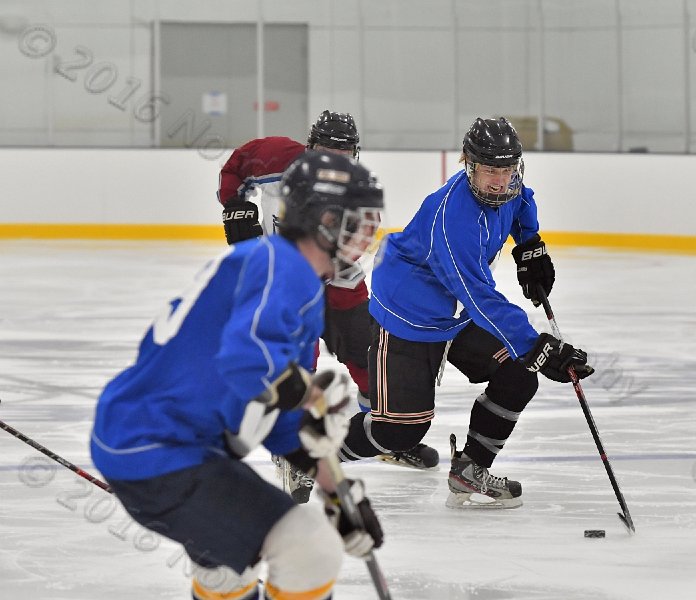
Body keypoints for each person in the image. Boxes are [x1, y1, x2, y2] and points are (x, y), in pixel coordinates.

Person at [91, 151, 385, 599]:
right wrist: (308, 395)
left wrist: (339, 493)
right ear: (324, 219)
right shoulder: (286, 267)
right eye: (357, 222)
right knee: (310, 549)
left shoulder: (271, 264)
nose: (365, 237)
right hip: (163, 451)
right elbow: (249, 359)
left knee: (227, 572)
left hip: (147, 442)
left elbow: (275, 408)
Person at [338, 116, 595, 509]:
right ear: (468, 165)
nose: (499, 181)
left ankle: (470, 471)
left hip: (453, 312)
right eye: (490, 170)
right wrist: (537, 345)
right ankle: (307, 456)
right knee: (401, 431)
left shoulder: (509, 189)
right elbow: (478, 296)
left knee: (518, 375)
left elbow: (522, 200)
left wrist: (530, 244)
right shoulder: (453, 219)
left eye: (508, 170)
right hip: (411, 312)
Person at [217, 111, 439, 504]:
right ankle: (291, 452)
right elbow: (235, 167)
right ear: (309, 147)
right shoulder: (273, 157)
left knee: (373, 360)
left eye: (343, 152)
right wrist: (234, 206)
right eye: (325, 150)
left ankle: (386, 434)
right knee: (297, 373)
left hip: (338, 286)